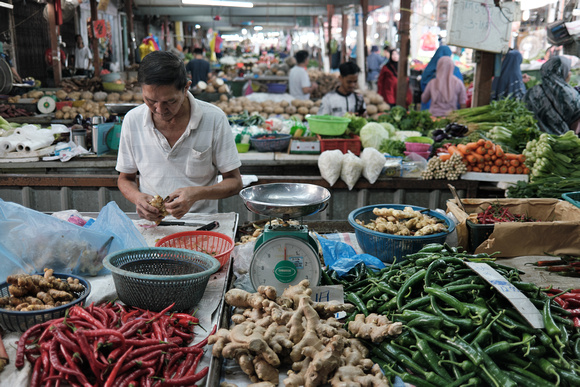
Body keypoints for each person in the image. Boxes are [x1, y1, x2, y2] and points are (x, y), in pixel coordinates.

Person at [115, 51, 243, 221]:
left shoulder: (214, 119)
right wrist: (137, 198)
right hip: (154, 227)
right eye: (151, 100)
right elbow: (125, 178)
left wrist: (196, 194)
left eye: (170, 101)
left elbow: (235, 182)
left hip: (202, 225)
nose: (160, 110)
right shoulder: (133, 120)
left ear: (186, 88)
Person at [523, 56, 580, 135]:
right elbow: (576, 127)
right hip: (565, 142)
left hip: (535, 140)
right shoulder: (572, 95)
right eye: (568, 70)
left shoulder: (531, 92)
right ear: (563, 72)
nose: (569, 73)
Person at [420, 45, 463, 110]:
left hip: (431, 111)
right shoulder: (456, 76)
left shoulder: (429, 73)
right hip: (451, 113)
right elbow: (462, 100)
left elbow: (424, 97)